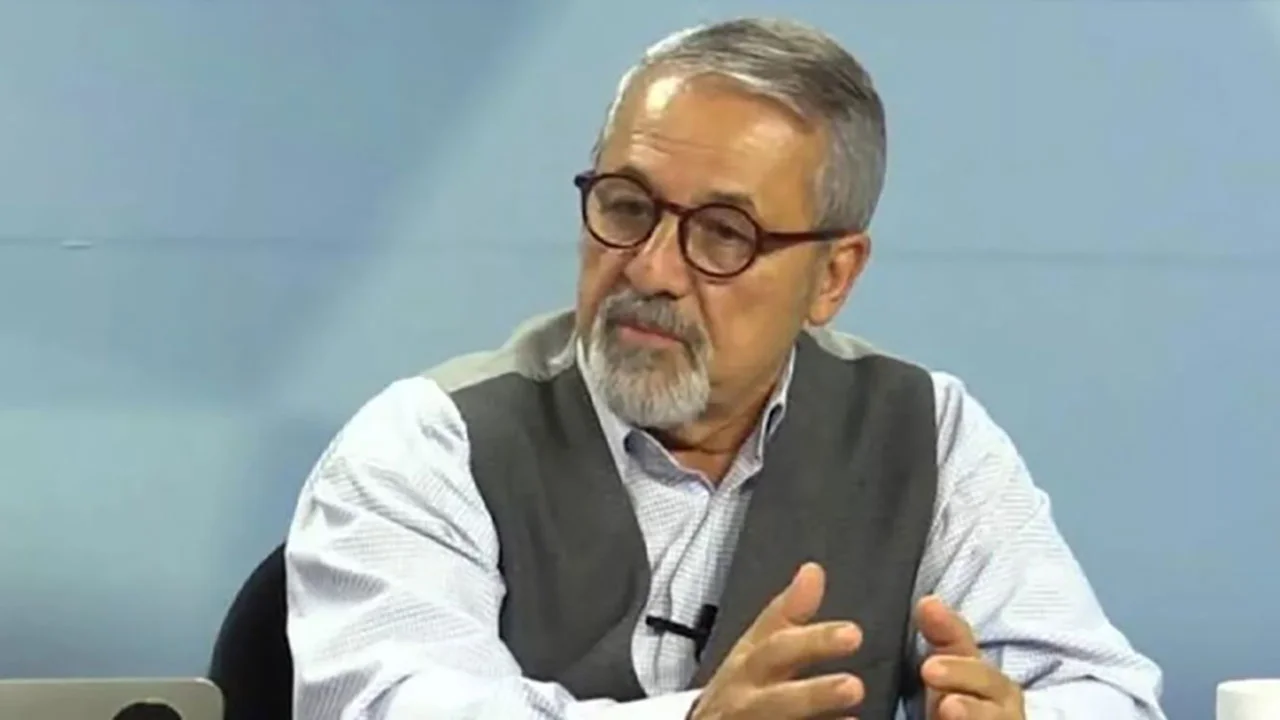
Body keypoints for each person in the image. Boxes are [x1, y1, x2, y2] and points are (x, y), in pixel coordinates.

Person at [284, 16, 1167, 720]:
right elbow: (393, 706)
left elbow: (1107, 696)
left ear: (833, 276)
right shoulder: (430, 444)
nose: (651, 269)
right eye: (626, 206)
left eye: (722, 234)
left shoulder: (925, 436)